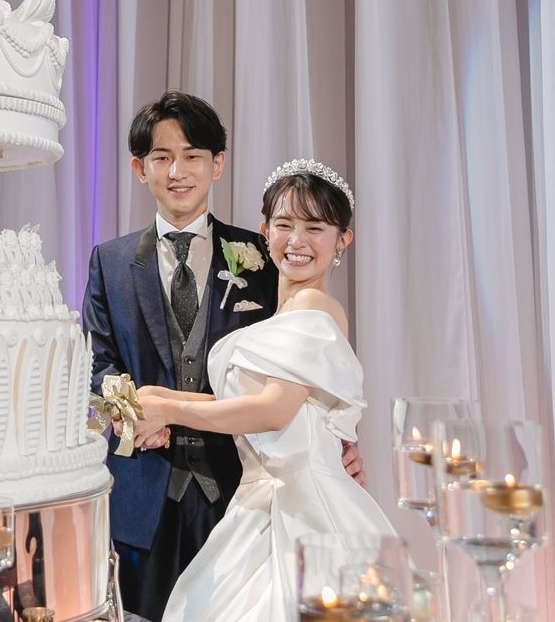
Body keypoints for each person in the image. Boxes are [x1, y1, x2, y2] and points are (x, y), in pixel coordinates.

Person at [85, 93, 361, 621]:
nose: (178, 171)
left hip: (240, 489)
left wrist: (338, 442)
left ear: (217, 164)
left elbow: (309, 366)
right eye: (162, 158)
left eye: (193, 155)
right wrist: (133, 417)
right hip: (145, 494)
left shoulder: (268, 257)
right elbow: (97, 369)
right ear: (140, 169)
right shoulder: (109, 262)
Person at [130, 160, 397, 622]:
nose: (297, 241)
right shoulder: (283, 312)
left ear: (342, 240)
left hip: (302, 507)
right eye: (284, 224)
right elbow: (245, 406)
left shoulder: (314, 305)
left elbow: (273, 411)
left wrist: (169, 411)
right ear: (265, 230)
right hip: (258, 501)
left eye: (315, 228)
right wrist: (156, 396)